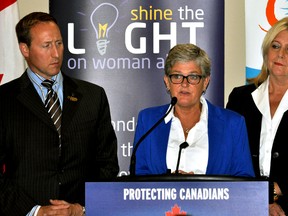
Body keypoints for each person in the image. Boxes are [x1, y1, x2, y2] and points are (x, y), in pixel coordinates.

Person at [0, 12, 119, 216]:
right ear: (25, 49)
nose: (56, 53)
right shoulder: (4, 100)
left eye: (59, 43)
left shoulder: (93, 96)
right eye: (46, 45)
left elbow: (107, 165)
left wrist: (81, 207)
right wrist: (35, 211)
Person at [132, 43, 255, 178]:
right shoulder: (148, 120)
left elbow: (245, 181)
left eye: (193, 77)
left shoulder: (233, 124)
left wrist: (197, 187)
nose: (185, 84)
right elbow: (139, 177)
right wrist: (168, 184)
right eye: (177, 76)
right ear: (167, 81)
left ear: (205, 82)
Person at [226, 17, 288, 215]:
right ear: (266, 50)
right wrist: (260, 198)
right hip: (244, 204)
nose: (281, 54)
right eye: (275, 46)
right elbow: (229, 156)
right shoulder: (239, 98)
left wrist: (273, 196)